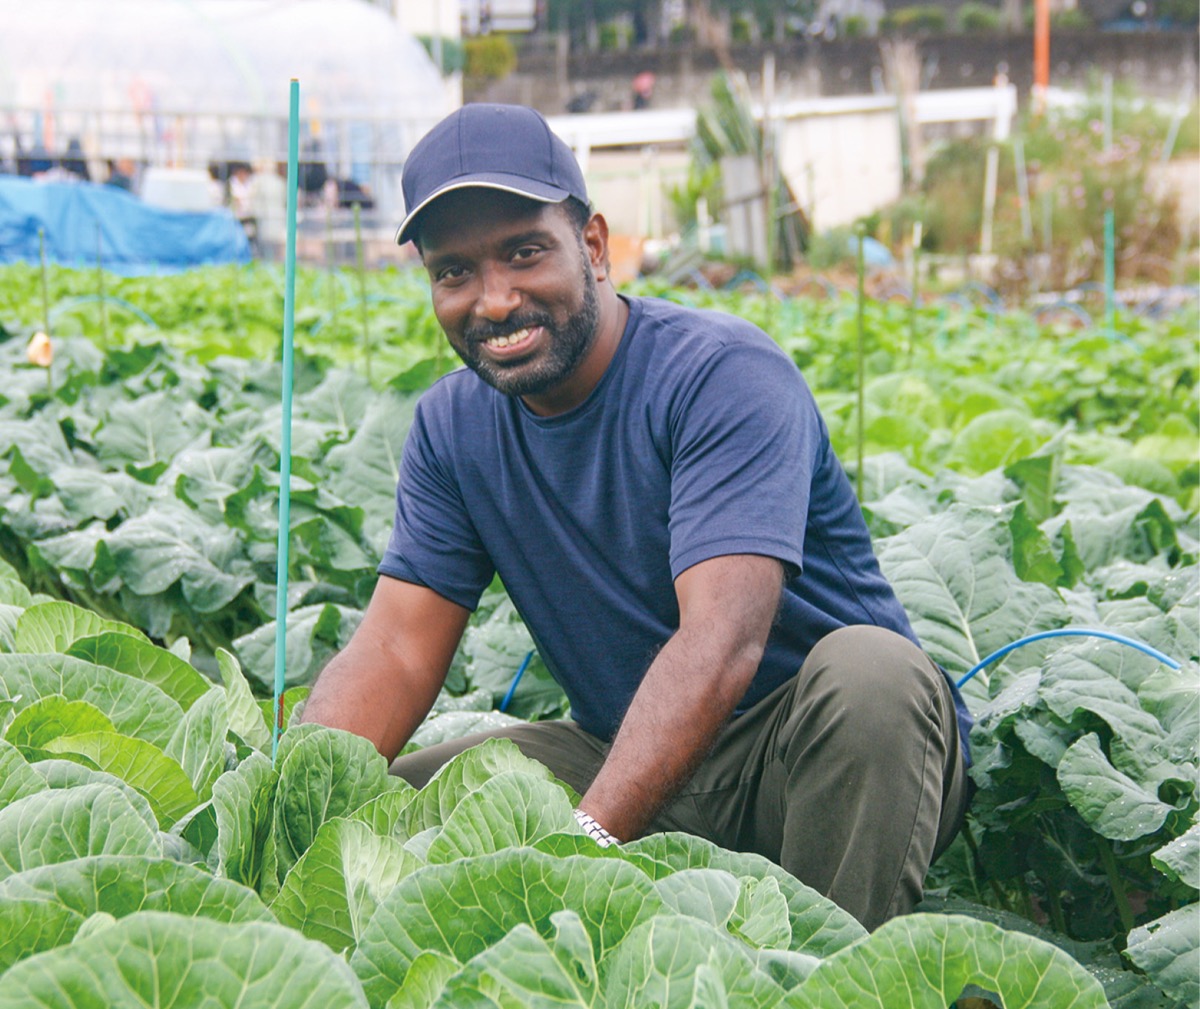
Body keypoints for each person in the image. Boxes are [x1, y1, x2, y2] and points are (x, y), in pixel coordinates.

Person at [300, 103, 972, 931]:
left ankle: (837, 968)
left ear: (592, 245)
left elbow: (721, 642)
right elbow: (397, 650)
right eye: (454, 272)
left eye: (524, 251)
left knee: (876, 672)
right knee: (388, 809)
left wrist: (586, 844)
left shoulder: (721, 376)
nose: (495, 299)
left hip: (811, 757)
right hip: (630, 750)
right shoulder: (451, 427)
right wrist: (295, 799)